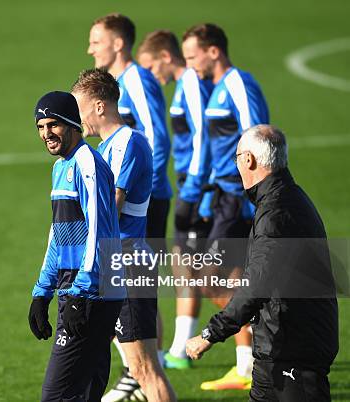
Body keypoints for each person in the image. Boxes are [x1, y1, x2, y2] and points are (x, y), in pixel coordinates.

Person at [186, 124, 339, 402]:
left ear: (249, 160)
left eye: (237, 158)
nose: (237, 165)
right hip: (279, 351)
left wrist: (209, 334)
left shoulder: (276, 212)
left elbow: (256, 285)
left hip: (292, 354)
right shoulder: (286, 199)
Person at [72, 69, 176, 402]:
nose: (78, 119)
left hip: (128, 264)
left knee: (145, 370)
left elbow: (110, 208)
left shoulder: (130, 143)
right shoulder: (105, 148)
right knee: (92, 359)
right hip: (111, 265)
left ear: (100, 107)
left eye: (81, 109)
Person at [181, 23, 270, 390]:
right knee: (229, 278)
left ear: (213, 51)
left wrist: (255, 197)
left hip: (237, 198)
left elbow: (257, 135)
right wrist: (198, 194)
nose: (189, 64)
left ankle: (257, 350)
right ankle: (246, 366)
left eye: (192, 56)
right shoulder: (216, 88)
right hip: (220, 197)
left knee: (209, 277)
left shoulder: (236, 83)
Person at [87, 14, 171, 397]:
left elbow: (154, 138)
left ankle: (141, 371)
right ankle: (138, 368)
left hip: (144, 201)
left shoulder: (137, 80)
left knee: (138, 291)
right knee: (135, 297)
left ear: (118, 44)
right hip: (132, 205)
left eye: (96, 41)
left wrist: (138, 193)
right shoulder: (115, 94)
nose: (90, 49)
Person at [28, 91, 123, 402]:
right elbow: (59, 235)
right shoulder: (60, 167)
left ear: (71, 124)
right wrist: (42, 292)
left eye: (53, 125)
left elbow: (100, 232)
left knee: (57, 396)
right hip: (77, 288)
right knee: (83, 394)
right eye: (41, 127)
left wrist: (80, 292)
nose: (46, 134)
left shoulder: (87, 164)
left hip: (92, 290)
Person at [136, 30, 213, 371]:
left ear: (166, 57)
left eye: (151, 66)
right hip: (189, 185)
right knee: (186, 265)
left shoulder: (192, 83)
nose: (151, 75)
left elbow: (202, 139)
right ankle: (182, 349)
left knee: (219, 275)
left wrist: (194, 190)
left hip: (200, 188)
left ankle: (249, 361)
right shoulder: (184, 87)